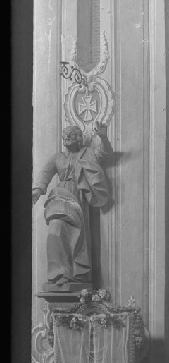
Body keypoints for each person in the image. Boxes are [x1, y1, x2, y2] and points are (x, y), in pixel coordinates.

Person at [32, 123, 113, 291]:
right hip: (60, 196)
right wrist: (37, 191)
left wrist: (103, 137)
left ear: (79, 138)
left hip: (78, 196)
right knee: (55, 230)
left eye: (72, 135)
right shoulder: (57, 157)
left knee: (77, 235)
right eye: (66, 135)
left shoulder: (87, 153)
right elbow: (45, 174)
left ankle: (77, 274)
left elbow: (104, 153)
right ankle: (59, 275)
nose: (67, 137)